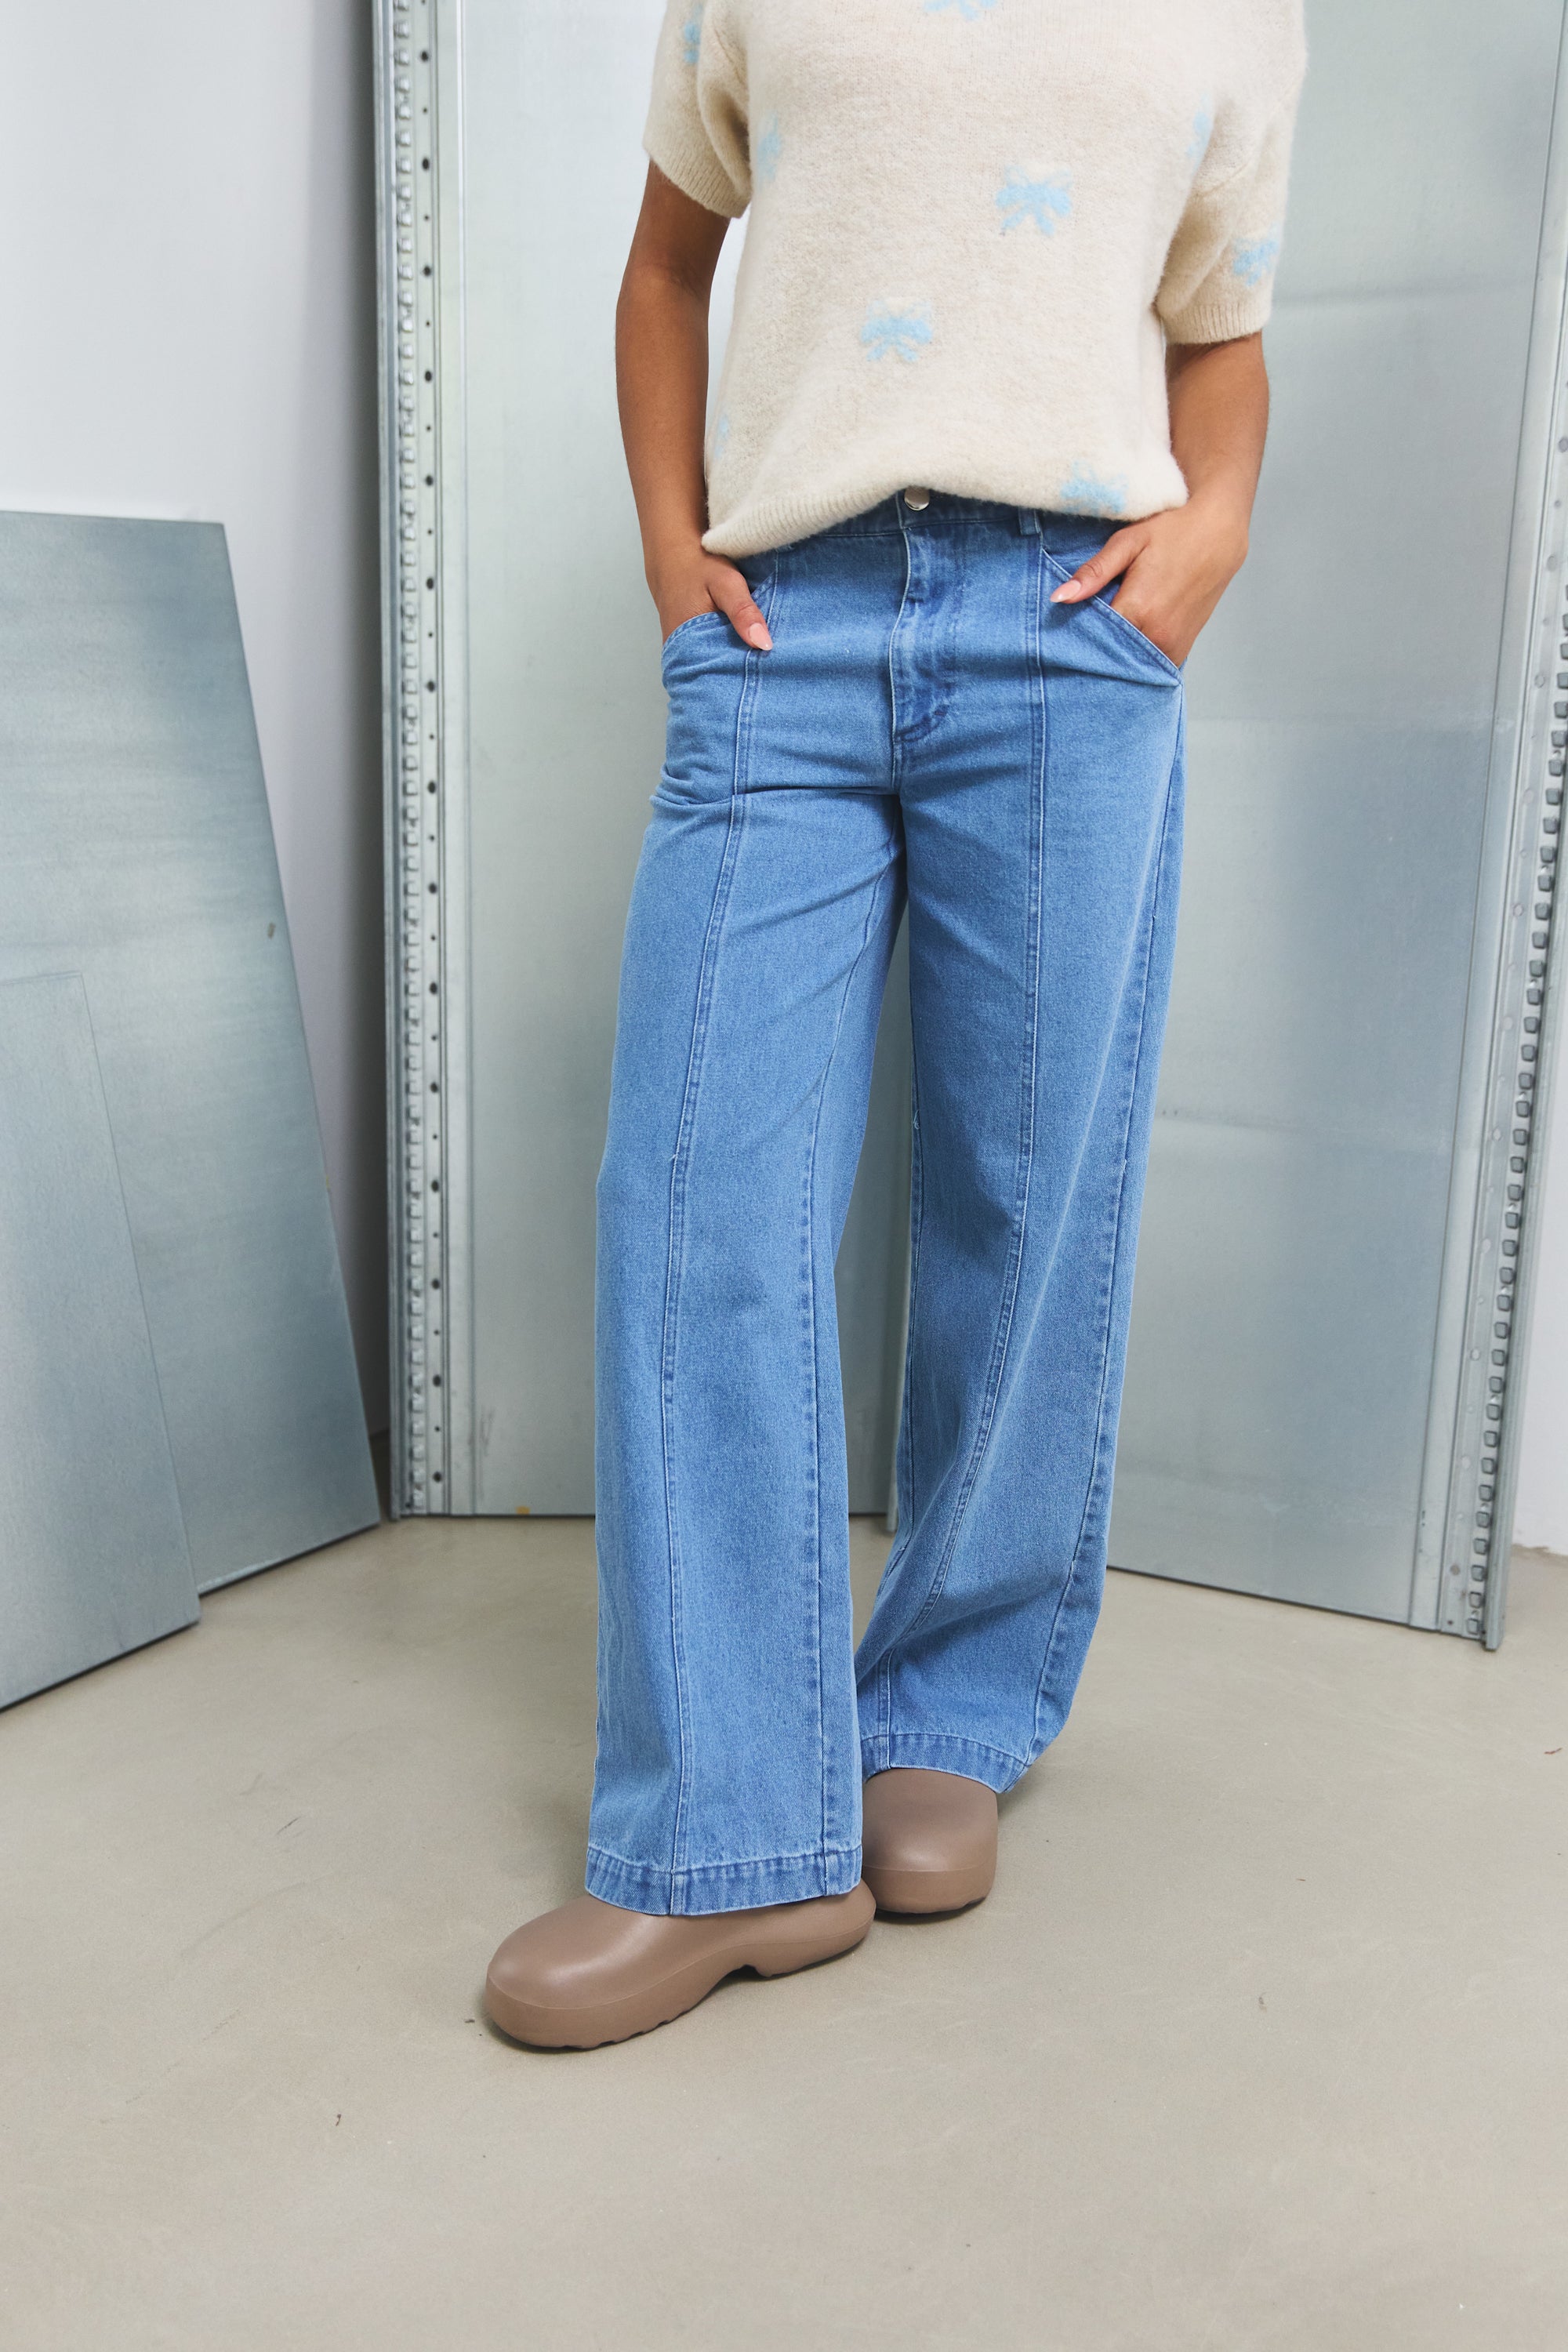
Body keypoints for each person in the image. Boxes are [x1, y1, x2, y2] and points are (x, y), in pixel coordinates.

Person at [486, 0, 1306, 2049]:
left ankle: (946, 1703)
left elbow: (1221, 327)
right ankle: (734, 1836)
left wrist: (1211, 525)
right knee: (699, 1203)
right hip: (786, 622)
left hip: (1071, 629)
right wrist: (674, 562)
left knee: (1027, 1198)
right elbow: (664, 270)